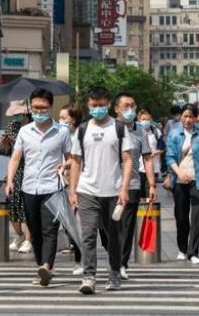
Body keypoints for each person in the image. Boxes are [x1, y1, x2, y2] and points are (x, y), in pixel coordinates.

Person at [6, 89, 73, 287]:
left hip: (53, 187)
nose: (39, 111)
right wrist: (10, 181)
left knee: (50, 229)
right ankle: (41, 268)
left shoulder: (62, 131)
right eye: (35, 107)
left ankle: (46, 266)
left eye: (43, 107)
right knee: (34, 232)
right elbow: (15, 158)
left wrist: (65, 166)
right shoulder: (25, 132)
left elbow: (71, 159)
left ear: (50, 107)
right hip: (29, 188)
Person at [69, 86, 133, 294]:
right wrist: (73, 191)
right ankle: (89, 277)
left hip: (113, 192)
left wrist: (124, 189)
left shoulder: (119, 128)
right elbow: (76, 162)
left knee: (114, 237)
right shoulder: (82, 130)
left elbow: (127, 159)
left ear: (108, 105)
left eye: (102, 105)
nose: (98, 108)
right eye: (94, 105)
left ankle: (114, 274)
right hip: (87, 191)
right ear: (88, 105)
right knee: (87, 235)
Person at [113, 93, 156, 281]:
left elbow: (147, 158)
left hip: (132, 184)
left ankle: (121, 264)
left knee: (127, 226)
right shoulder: (109, 128)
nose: (130, 109)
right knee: (109, 226)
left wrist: (152, 184)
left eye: (132, 105)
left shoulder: (140, 131)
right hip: (108, 184)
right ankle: (110, 258)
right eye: (125, 106)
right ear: (116, 109)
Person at [165, 104, 199, 265]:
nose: (187, 120)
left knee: (196, 217)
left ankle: (193, 252)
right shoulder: (174, 134)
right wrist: (178, 173)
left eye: (190, 117)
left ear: (195, 118)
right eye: (185, 116)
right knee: (181, 216)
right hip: (179, 181)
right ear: (181, 117)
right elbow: (170, 157)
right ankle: (182, 248)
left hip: (198, 181)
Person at [0, 100, 33, 254]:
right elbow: (6, 153)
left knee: (29, 207)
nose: (16, 116)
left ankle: (28, 239)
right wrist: (4, 145)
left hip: (32, 170)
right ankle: (19, 235)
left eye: (19, 113)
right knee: (13, 205)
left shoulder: (34, 127)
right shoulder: (12, 127)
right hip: (16, 170)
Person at [58, 103, 84, 276]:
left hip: (82, 185)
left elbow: (77, 159)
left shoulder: (81, 135)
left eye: (64, 118)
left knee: (81, 225)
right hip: (64, 184)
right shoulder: (60, 134)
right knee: (71, 224)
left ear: (73, 119)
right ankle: (79, 258)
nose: (60, 121)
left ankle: (81, 260)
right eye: (59, 118)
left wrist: (66, 164)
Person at [138, 109, 165, 193]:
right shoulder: (135, 132)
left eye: (147, 119)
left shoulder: (156, 132)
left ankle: (150, 205)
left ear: (151, 120)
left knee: (150, 191)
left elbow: (162, 148)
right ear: (139, 120)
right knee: (140, 194)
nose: (145, 121)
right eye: (143, 119)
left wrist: (153, 153)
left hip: (153, 168)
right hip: (139, 168)